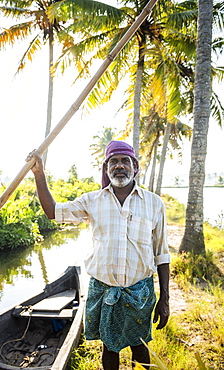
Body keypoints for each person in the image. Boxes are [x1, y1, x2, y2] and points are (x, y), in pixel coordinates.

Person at [27, 140, 170, 370]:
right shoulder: (92, 201)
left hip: (139, 291)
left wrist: (165, 298)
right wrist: (39, 174)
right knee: (109, 347)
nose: (119, 166)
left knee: (140, 346)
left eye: (125, 161)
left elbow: (162, 254)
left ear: (135, 167)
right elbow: (53, 212)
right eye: (113, 161)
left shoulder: (154, 203)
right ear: (106, 169)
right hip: (104, 290)